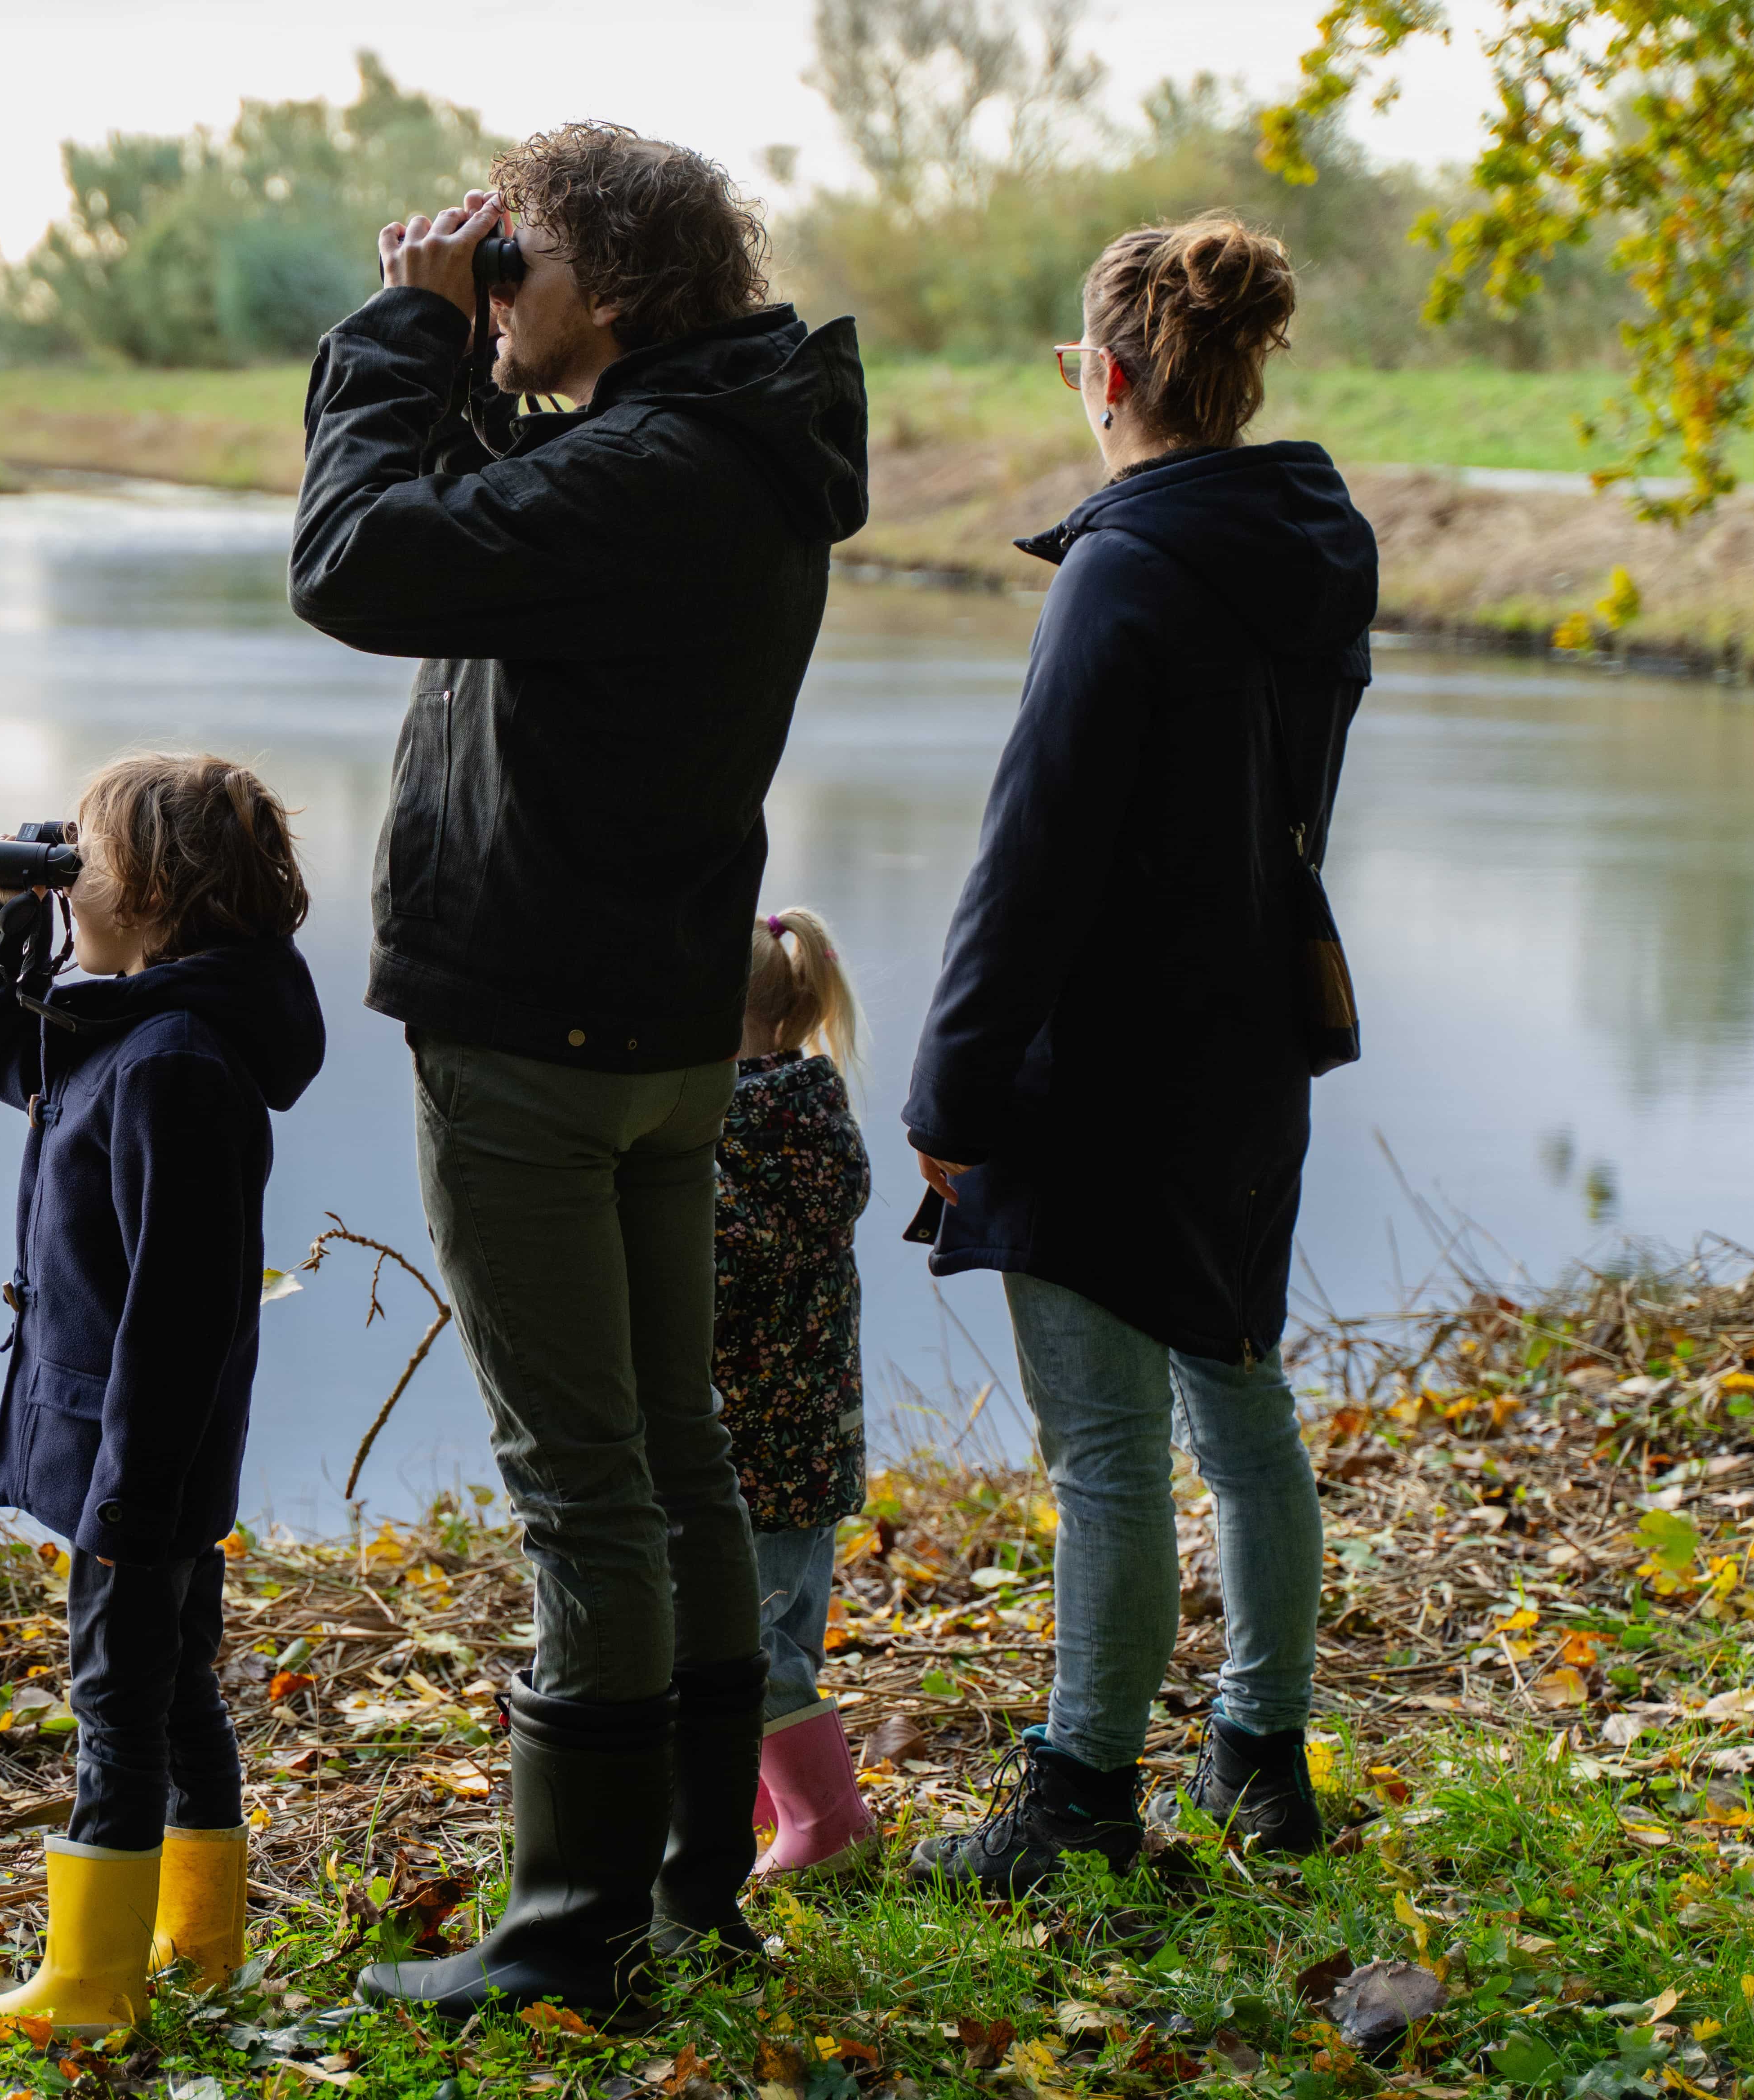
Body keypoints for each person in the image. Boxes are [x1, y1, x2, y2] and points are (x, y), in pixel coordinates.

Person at [288, 121, 871, 2013]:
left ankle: (575, 1925)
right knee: (674, 1459)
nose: (492, 286)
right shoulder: (719, 452)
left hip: (538, 1022)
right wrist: (451, 342)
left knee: (585, 1483)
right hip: (656, 1013)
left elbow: (362, 560)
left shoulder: (658, 468)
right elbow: (479, 536)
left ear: (610, 283)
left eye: (515, 258)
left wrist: (398, 332)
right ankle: (693, 1878)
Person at [899, 215, 1377, 1895]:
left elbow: (1031, 860)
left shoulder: (1122, 565)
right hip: (1248, 1050)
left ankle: (1079, 1800)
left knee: (1103, 1455)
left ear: (1099, 375)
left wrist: (948, 1095)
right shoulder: (1313, 544)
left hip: (1096, 1070)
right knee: (1239, 1408)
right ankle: (1260, 1754)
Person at [0, 754, 325, 2041]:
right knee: (173, 1689)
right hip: (136, 1453)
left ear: (155, 889)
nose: (68, 884)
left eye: (81, 865)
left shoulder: (178, 1066)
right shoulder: (138, 1024)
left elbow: (182, 1317)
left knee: (119, 1701)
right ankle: (200, 1946)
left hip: (142, 1459)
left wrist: (130, 1500)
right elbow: (24, 1068)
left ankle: (92, 1984)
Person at [713, 908, 878, 1877]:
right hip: (814, 1438)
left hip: (750, 1445)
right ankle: (752, 1815)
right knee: (779, 1636)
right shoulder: (816, 1111)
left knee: (748, 1648)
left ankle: (829, 1821)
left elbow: (716, 1275)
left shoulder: (726, 1125)